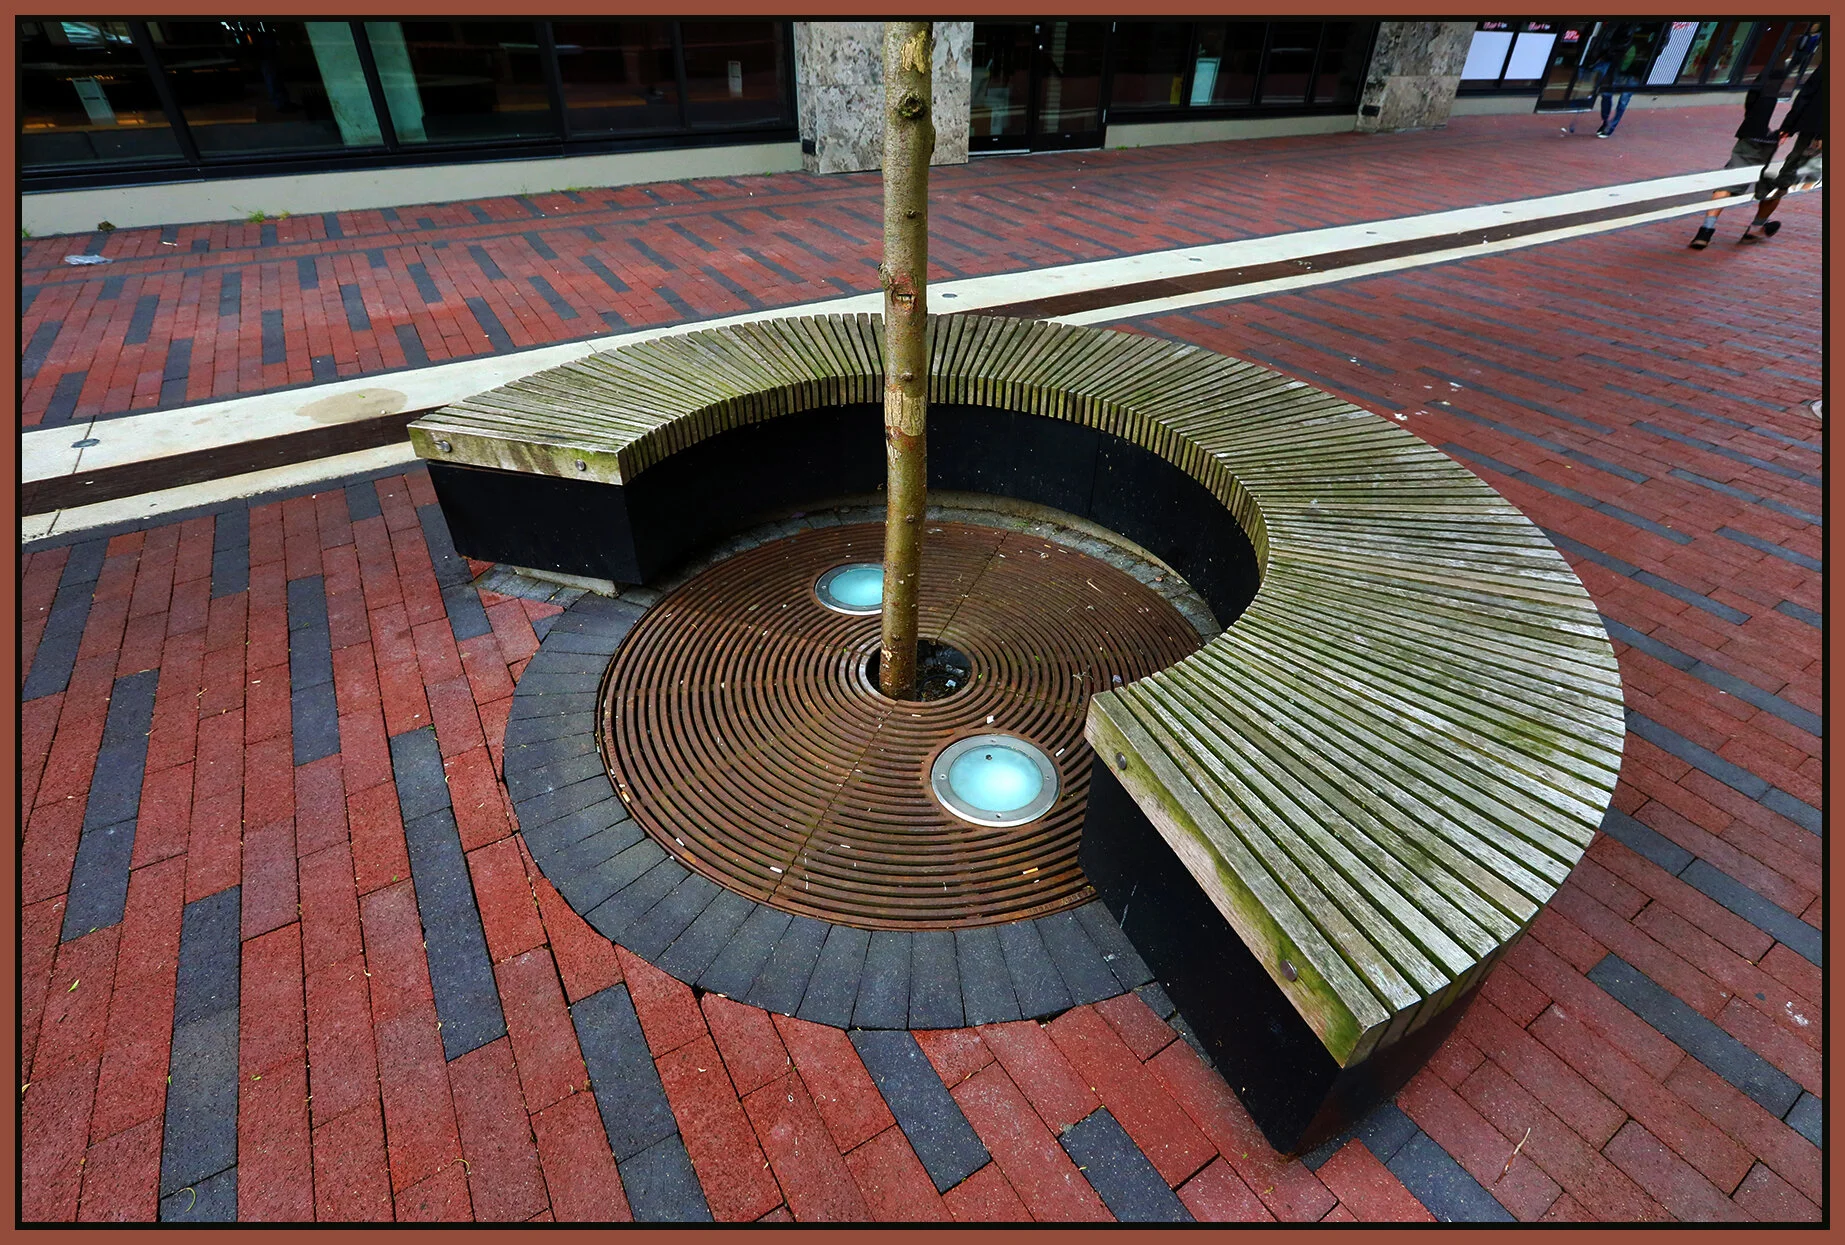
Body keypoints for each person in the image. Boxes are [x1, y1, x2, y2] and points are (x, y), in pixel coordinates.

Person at [1689, 63, 1791, 249]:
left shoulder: (1761, 91)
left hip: (1752, 135)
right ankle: (1756, 227)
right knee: (1775, 185)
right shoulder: (1785, 92)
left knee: (1729, 180)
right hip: (1777, 141)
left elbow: (1751, 103)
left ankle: (1706, 230)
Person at [1739, 60, 1824, 242]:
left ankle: (1758, 222)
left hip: (1811, 130)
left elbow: (1806, 93)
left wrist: (1789, 125)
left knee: (1784, 174)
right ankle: (1757, 224)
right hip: (1816, 135)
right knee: (1786, 176)